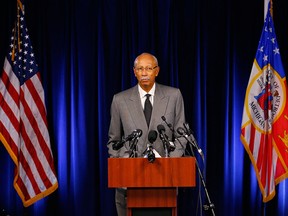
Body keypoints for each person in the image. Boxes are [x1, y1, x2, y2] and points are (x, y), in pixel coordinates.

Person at [107, 52, 187, 216]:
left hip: (165, 181)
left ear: (156, 71)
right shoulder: (120, 100)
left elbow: (181, 136)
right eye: (140, 69)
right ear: (134, 71)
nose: (144, 73)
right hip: (129, 184)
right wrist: (121, 168)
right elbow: (113, 141)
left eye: (149, 68)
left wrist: (169, 163)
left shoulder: (174, 96)